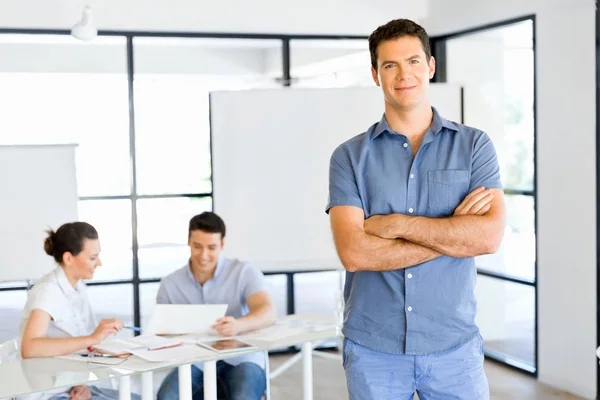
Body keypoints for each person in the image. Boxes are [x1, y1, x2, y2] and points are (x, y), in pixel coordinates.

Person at [326, 18, 506, 399]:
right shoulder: (348, 157)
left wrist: (393, 225)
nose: (403, 75)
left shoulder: (474, 147)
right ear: (375, 75)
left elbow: (488, 237)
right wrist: (453, 234)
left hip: (454, 349)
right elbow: (354, 253)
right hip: (374, 349)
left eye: (412, 61)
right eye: (390, 65)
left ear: (430, 66)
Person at [156, 212, 276, 400]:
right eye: (197, 246)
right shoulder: (170, 284)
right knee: (167, 396)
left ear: (222, 245)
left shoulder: (244, 272)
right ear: (188, 242)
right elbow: (160, 332)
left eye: (211, 248)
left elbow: (267, 312)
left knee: (243, 396)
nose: (203, 256)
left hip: (241, 356)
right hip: (193, 360)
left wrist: (237, 325)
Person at [19, 222, 141, 400]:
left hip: (69, 385)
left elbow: (73, 344)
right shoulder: (48, 291)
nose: (99, 263)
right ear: (68, 258)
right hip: (47, 393)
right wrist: (92, 338)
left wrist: (80, 383)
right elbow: (29, 348)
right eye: (92, 258)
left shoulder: (77, 286)